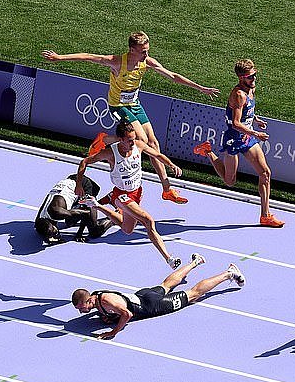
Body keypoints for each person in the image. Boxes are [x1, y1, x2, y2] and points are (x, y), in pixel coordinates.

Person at [42, 31, 220, 204]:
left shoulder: (146, 62)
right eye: (143, 51)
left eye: (148, 50)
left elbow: (173, 76)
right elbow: (88, 56)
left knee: (154, 143)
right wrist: (60, 58)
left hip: (134, 104)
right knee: (141, 139)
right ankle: (107, 140)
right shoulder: (117, 62)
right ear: (132, 50)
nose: (146, 54)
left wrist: (201, 88)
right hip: (118, 106)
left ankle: (167, 190)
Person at [76, 119, 183, 269]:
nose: (133, 143)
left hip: (137, 193)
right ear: (120, 140)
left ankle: (97, 205)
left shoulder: (138, 145)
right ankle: (169, 258)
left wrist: (171, 165)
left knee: (127, 230)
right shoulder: (110, 153)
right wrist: (78, 184)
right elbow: (84, 162)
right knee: (148, 221)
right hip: (121, 195)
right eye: (130, 140)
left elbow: (157, 155)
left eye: (134, 139)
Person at [193, 59, 284, 227]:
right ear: (241, 78)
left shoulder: (251, 89)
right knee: (230, 181)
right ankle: (207, 151)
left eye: (255, 74)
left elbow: (246, 111)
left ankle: (265, 215)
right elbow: (235, 123)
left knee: (265, 173)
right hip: (234, 138)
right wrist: (256, 132)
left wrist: (255, 119)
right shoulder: (238, 94)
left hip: (247, 137)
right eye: (250, 77)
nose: (254, 79)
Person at [71, 253, 245, 339]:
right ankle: (195, 262)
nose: (81, 312)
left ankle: (228, 273)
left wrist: (113, 331)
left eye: (81, 307)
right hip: (143, 295)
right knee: (166, 284)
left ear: (88, 300)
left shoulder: (105, 301)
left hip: (152, 306)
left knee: (193, 294)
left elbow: (127, 314)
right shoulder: (97, 296)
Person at [35, 174, 112, 244]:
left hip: (82, 185)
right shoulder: (40, 220)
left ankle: (114, 216)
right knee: (70, 222)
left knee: (94, 232)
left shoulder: (58, 212)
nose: (56, 235)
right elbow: (41, 229)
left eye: (54, 233)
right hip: (69, 183)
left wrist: (79, 234)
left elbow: (86, 213)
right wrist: (49, 237)